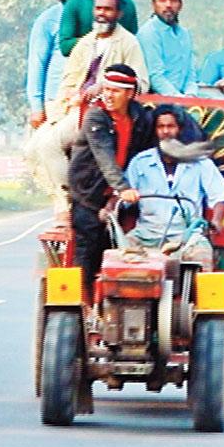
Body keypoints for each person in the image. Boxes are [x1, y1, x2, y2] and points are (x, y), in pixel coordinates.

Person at [25, 0, 148, 211]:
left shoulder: (128, 43)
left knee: (49, 145)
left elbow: (141, 83)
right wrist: (65, 103)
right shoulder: (85, 43)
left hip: (103, 112)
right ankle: (60, 197)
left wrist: (106, 86)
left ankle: (67, 205)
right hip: (73, 108)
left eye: (108, 9)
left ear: (118, 14)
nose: (102, 14)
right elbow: (68, 81)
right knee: (32, 147)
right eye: (98, 8)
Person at [67, 65, 155, 301]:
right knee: (87, 249)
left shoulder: (140, 117)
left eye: (115, 91)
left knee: (120, 252)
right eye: (106, 89)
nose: (108, 95)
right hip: (89, 195)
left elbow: (148, 153)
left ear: (129, 93)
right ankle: (82, 308)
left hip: (121, 198)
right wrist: (123, 188)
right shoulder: (96, 116)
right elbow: (104, 155)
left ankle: (114, 305)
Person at [121, 105, 224, 269]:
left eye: (171, 126)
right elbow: (123, 196)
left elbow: (219, 196)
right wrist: (112, 206)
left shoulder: (201, 163)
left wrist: (216, 219)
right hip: (146, 233)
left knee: (203, 261)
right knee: (119, 258)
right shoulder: (140, 161)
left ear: (180, 129)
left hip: (188, 237)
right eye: (161, 127)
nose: (165, 131)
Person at [27, 0, 89, 130]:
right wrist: (37, 107)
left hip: (87, 98)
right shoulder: (47, 20)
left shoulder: (95, 16)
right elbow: (37, 64)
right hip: (56, 99)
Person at [136, 0, 195, 96]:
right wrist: (180, 100)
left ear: (180, 4)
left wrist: (191, 95)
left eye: (173, 0)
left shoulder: (185, 34)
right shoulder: (148, 33)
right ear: (154, 4)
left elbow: (190, 73)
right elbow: (155, 76)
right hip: (159, 102)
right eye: (162, 0)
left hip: (186, 99)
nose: (168, 5)